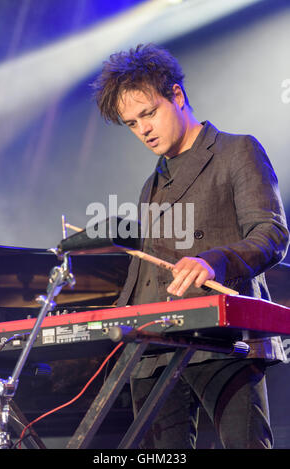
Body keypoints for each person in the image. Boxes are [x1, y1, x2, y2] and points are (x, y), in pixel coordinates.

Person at [91, 44, 289, 449]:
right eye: (131, 123)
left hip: (221, 337)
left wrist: (214, 261)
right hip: (153, 344)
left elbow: (271, 233)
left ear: (177, 96)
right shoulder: (152, 183)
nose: (143, 130)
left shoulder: (237, 150)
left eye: (149, 113)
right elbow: (150, 269)